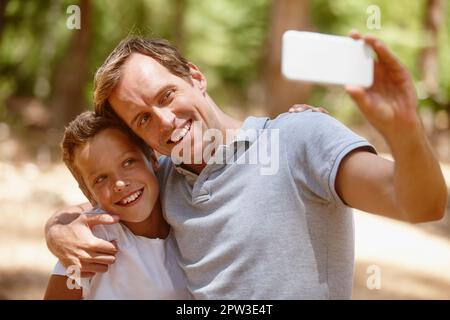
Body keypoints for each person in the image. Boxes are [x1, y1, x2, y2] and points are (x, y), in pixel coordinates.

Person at [45, 31, 447, 299]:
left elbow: (420, 204)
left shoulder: (298, 138)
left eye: (166, 95)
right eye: (143, 119)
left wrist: (405, 130)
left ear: (195, 77)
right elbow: (104, 198)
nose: (165, 121)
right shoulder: (163, 178)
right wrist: (58, 230)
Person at [43, 111, 191, 299]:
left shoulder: (187, 213)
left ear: (152, 159)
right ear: (88, 193)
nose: (119, 184)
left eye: (128, 162)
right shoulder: (88, 243)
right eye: (101, 178)